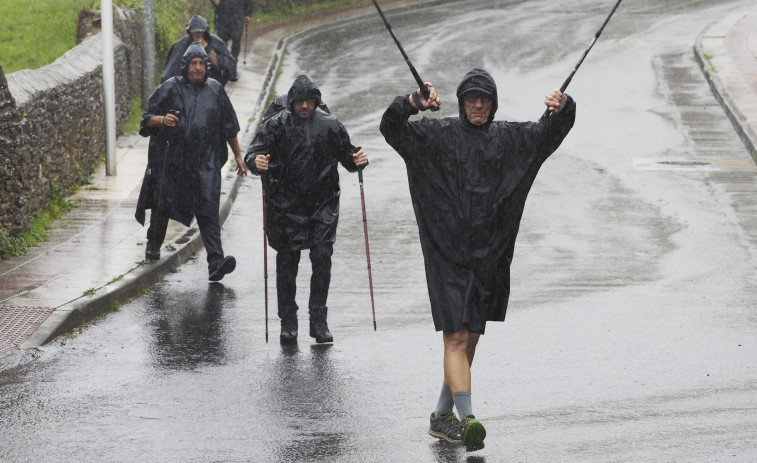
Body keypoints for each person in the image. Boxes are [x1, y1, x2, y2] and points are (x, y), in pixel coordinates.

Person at [380, 68, 576, 449]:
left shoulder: (509, 138)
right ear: (461, 101)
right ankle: (468, 420)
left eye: (484, 99)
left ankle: (441, 416)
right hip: (446, 254)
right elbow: (393, 129)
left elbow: (547, 133)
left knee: (468, 337)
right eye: (471, 98)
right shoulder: (436, 135)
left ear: (493, 103)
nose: (478, 105)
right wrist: (409, 103)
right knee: (454, 336)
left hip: (488, 257)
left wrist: (563, 108)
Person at [245, 74, 368, 344]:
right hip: (285, 206)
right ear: (291, 102)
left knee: (322, 257)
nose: (304, 106)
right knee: (287, 261)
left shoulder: (330, 125)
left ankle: (319, 321)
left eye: (309, 101)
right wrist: (256, 162)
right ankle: (288, 321)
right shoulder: (277, 125)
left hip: (322, 205)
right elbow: (253, 153)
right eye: (299, 101)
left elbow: (348, 156)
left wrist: (358, 159)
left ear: (316, 102)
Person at [135, 42, 247, 282]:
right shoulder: (169, 88)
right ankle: (153, 243)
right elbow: (145, 121)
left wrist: (238, 155)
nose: (197, 68)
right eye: (193, 64)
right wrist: (162, 119)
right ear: (185, 66)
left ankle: (216, 262)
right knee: (163, 203)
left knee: (208, 212)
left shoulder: (216, 90)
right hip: (174, 160)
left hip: (206, 162)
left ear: (206, 66)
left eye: (201, 64)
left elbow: (229, 126)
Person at [162, 15, 237, 86]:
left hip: (210, 85)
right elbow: (170, 71)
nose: (198, 36)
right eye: (195, 33)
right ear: (190, 33)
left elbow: (230, 65)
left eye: (201, 32)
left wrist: (209, 52)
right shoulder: (181, 44)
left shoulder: (215, 42)